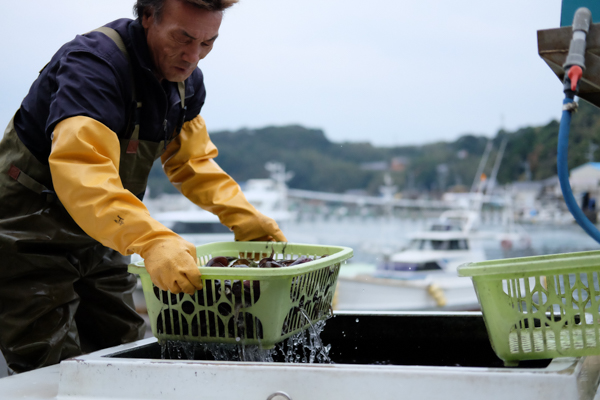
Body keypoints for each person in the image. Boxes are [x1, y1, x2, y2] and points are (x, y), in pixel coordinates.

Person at [0, 0, 286, 374]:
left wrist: (244, 217)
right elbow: (81, 169)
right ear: (148, 16)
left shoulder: (185, 84)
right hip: (28, 233)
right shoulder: (93, 66)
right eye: (182, 38)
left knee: (125, 353)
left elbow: (193, 162)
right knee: (50, 366)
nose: (192, 56)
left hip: (104, 235)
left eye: (207, 43)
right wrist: (152, 240)